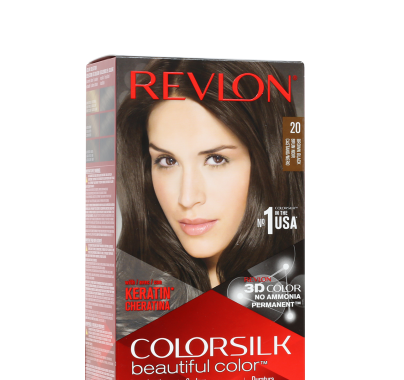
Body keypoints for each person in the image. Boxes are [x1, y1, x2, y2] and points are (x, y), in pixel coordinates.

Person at [117, 59, 304, 291]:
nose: (187, 199)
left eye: (216, 159)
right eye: (168, 161)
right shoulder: (129, 295)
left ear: (268, 159)